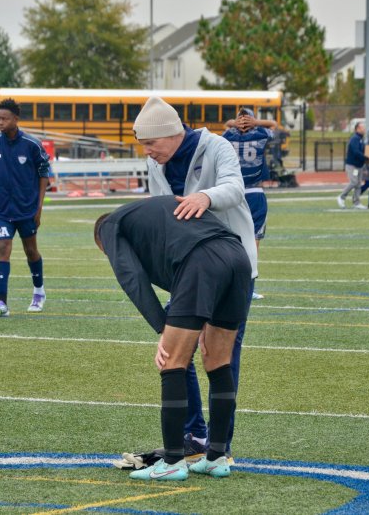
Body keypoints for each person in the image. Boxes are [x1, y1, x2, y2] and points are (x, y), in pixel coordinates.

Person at [135, 96, 258, 463]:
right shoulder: (155, 163)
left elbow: (235, 188)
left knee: (221, 356)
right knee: (176, 352)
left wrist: (204, 197)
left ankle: (221, 447)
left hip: (232, 268)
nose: (148, 151)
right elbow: (164, 219)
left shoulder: (216, 146)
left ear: (172, 134)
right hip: (189, 270)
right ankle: (194, 436)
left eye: (151, 143)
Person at [95, 196, 252, 480]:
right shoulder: (147, 218)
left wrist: (162, 328)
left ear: (101, 242)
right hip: (238, 256)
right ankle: (216, 458)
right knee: (218, 362)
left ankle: (172, 463)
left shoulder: (110, 226)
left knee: (172, 362)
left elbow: (131, 277)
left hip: (201, 259)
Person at [0, 98, 50, 316]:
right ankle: (2, 303)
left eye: (4, 119)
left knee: (31, 251)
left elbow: (43, 175)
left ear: (15, 119)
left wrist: (38, 209)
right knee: (3, 249)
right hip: (1, 211)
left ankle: (39, 292)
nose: (0, 123)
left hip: (26, 210)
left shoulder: (31, 144)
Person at [223, 108, 277, 300]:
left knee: (231, 239)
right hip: (254, 192)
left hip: (232, 192)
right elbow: (274, 126)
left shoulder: (228, 135)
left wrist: (233, 123)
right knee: (253, 241)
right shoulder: (261, 133)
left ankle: (229, 283)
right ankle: (248, 285)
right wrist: (256, 123)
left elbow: (226, 126)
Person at [337, 122, 369, 209]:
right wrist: (366, 157)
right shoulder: (354, 139)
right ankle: (341, 197)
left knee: (358, 184)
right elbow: (356, 152)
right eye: (362, 128)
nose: (364, 129)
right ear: (357, 129)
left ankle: (357, 202)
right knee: (354, 182)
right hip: (352, 165)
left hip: (359, 166)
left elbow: (363, 151)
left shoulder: (361, 139)